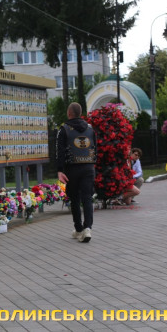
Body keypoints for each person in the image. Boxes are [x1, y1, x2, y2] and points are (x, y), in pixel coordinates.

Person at [56, 102, 96, 243]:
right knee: (87, 198)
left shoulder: (64, 129)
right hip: (88, 167)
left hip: (72, 168)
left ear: (69, 113)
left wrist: (60, 170)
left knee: (75, 198)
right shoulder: (90, 129)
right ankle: (88, 228)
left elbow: (60, 152)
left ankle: (79, 229)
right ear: (80, 113)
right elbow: (95, 148)